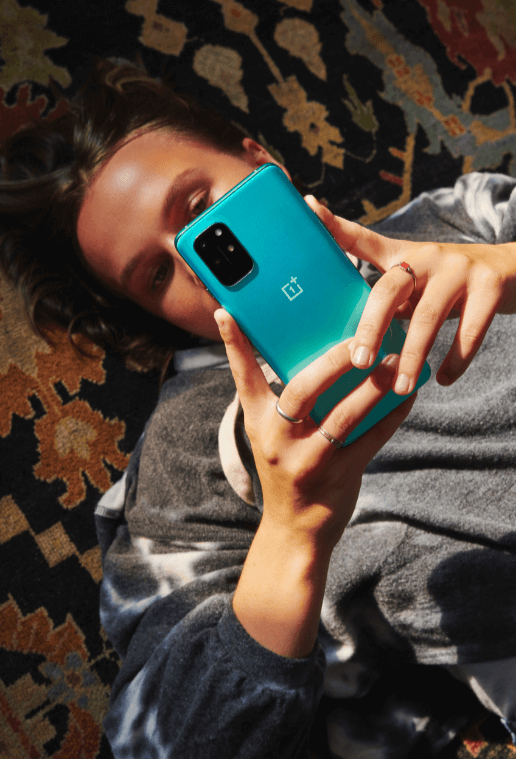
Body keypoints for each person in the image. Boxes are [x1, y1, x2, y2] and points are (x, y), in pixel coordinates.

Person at [1, 60, 515, 758]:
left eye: (197, 209)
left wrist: (508, 268)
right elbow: (164, 742)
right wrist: (293, 532)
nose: (197, 263)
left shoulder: (454, 219)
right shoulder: (191, 449)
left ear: (261, 160)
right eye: (157, 273)